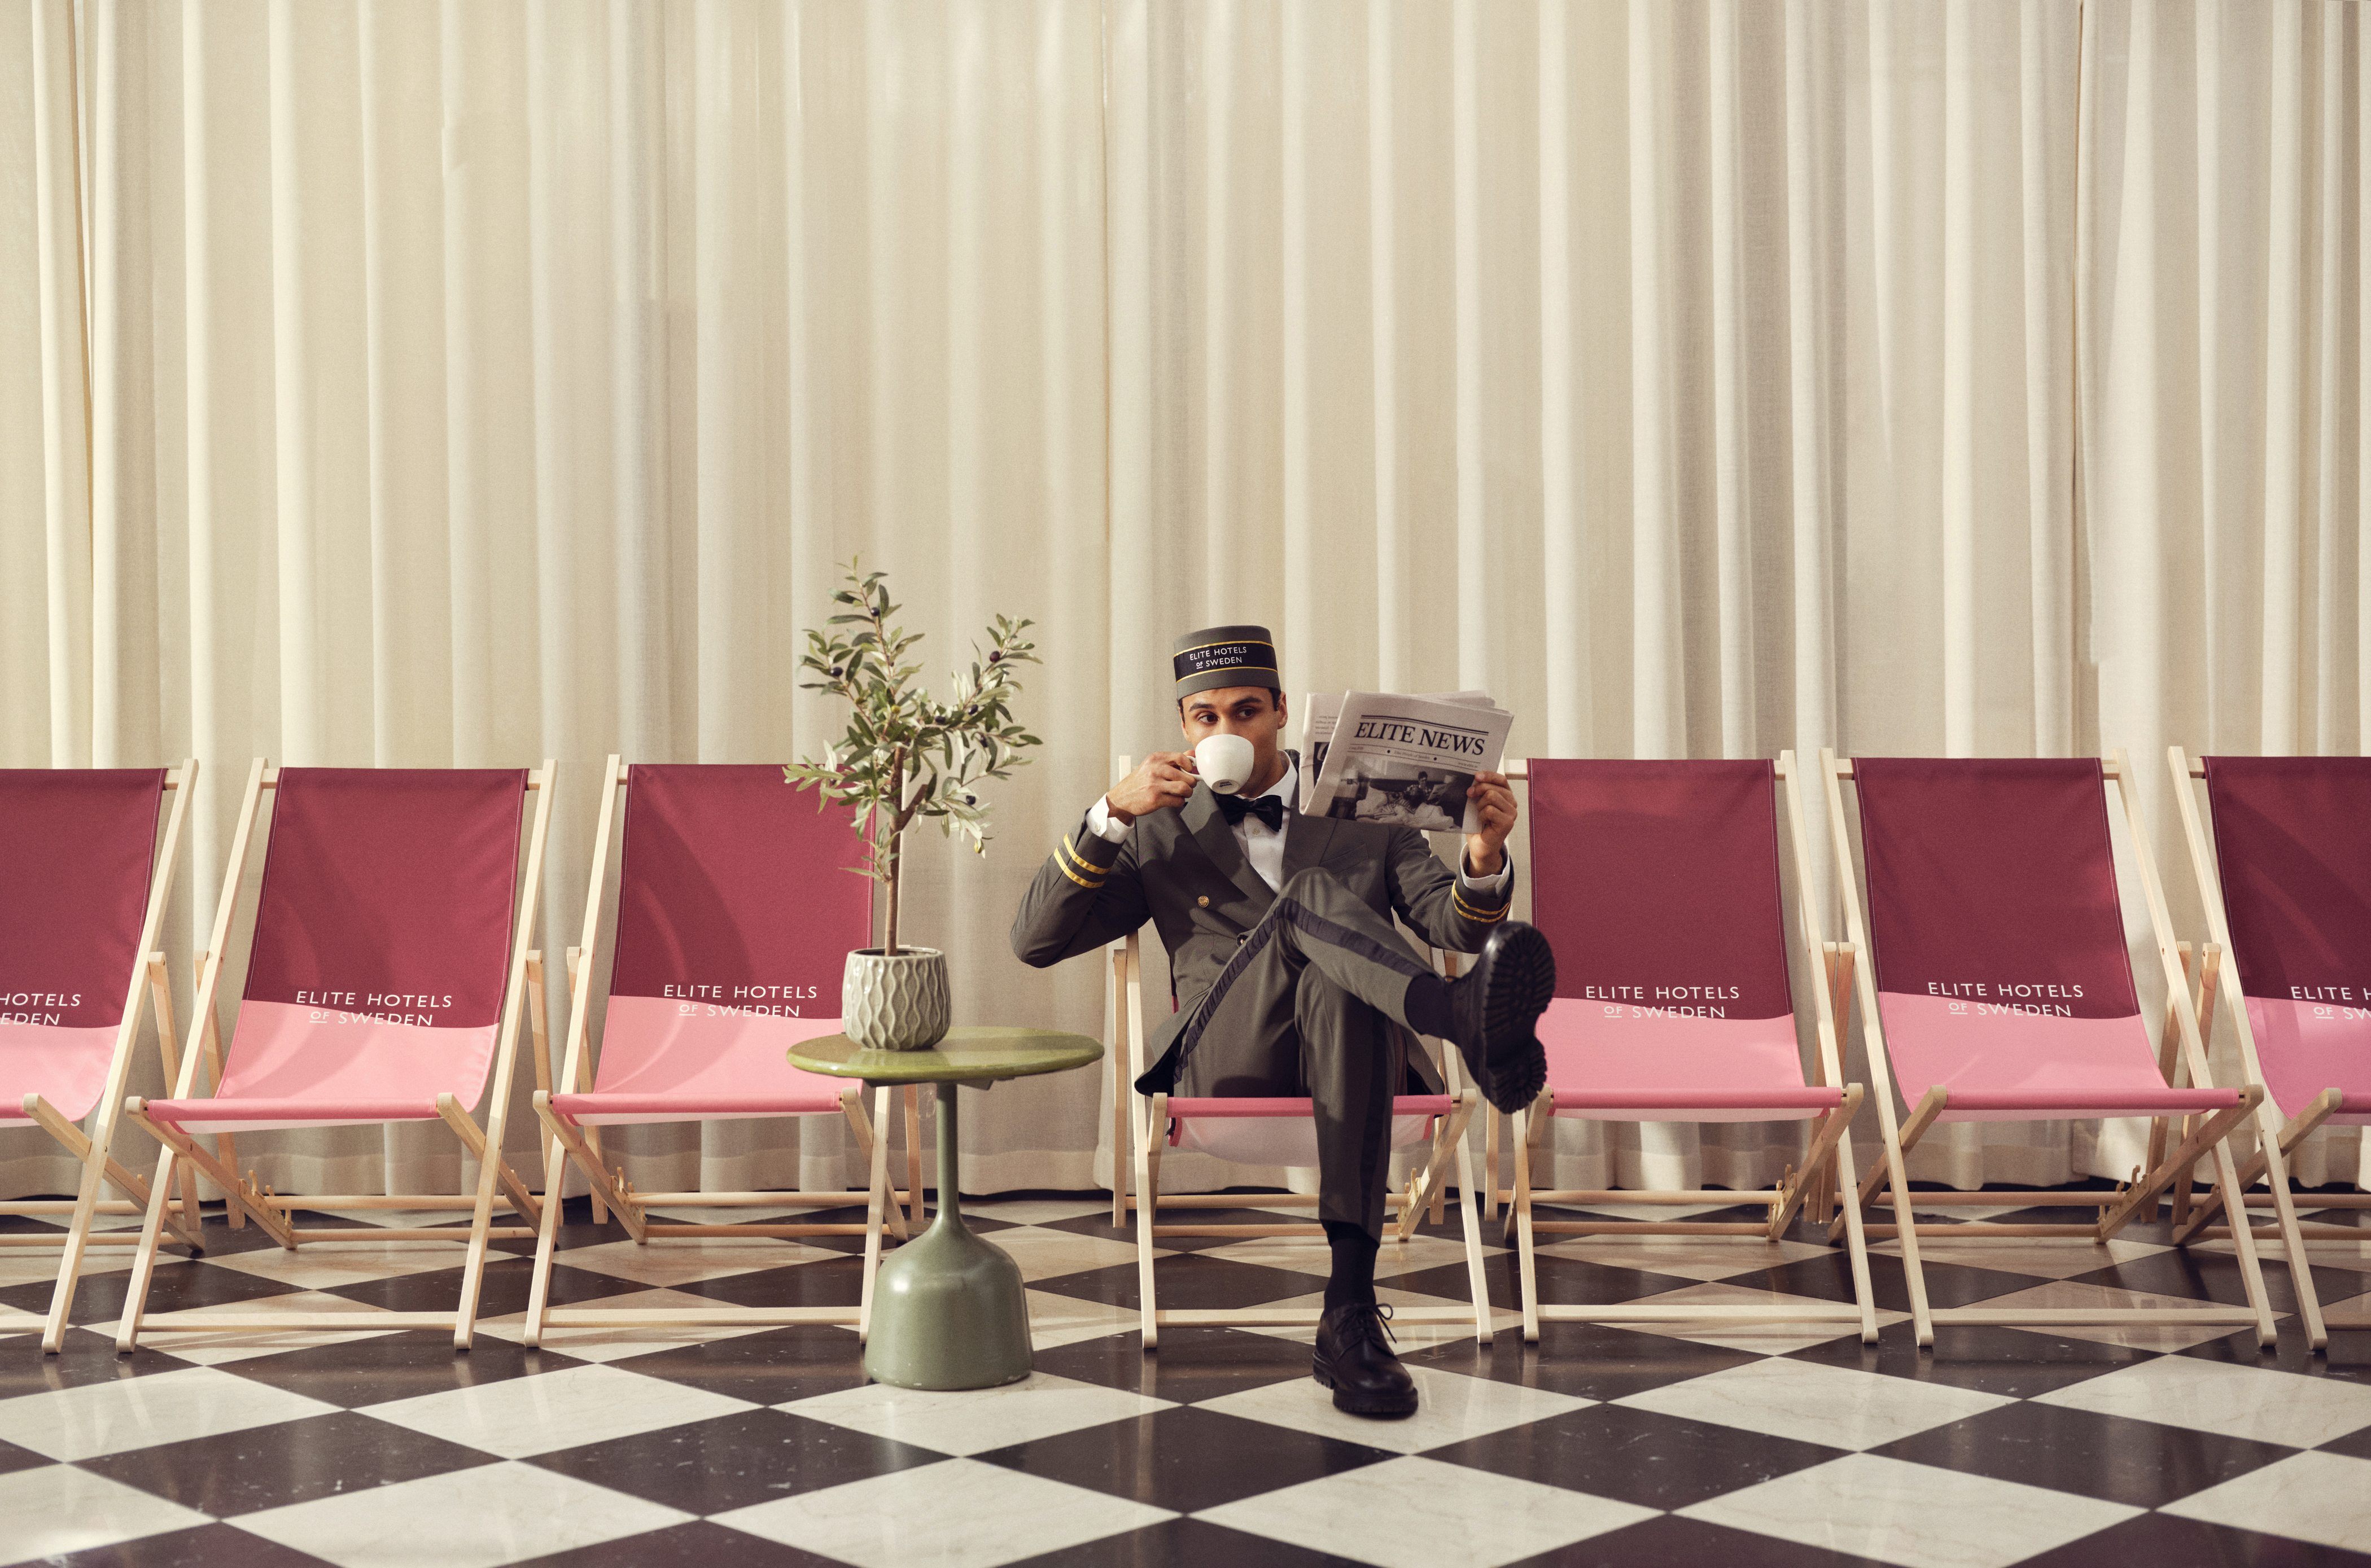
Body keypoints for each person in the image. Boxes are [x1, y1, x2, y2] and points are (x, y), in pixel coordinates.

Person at [1011, 625, 1554, 1418]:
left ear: (1282, 712)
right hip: (1227, 1053)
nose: (1226, 731)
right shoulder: (1161, 825)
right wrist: (1108, 814)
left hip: (1355, 1049)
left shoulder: (1366, 807)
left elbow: (1453, 925)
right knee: (1309, 898)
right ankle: (1456, 1016)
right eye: (1205, 717)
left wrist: (1483, 856)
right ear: (1185, 726)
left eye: (1246, 711)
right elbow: (1036, 940)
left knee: (1345, 989)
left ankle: (1350, 1316)